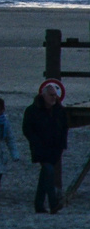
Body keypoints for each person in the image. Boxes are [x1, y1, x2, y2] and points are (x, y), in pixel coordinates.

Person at [22, 79, 70, 213]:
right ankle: (53, 203)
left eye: (55, 95)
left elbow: (65, 128)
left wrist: (62, 145)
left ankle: (38, 204)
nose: (54, 98)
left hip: (55, 149)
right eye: (51, 95)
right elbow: (27, 129)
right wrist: (35, 142)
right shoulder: (32, 110)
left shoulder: (59, 110)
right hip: (40, 148)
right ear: (44, 95)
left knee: (45, 175)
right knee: (48, 171)